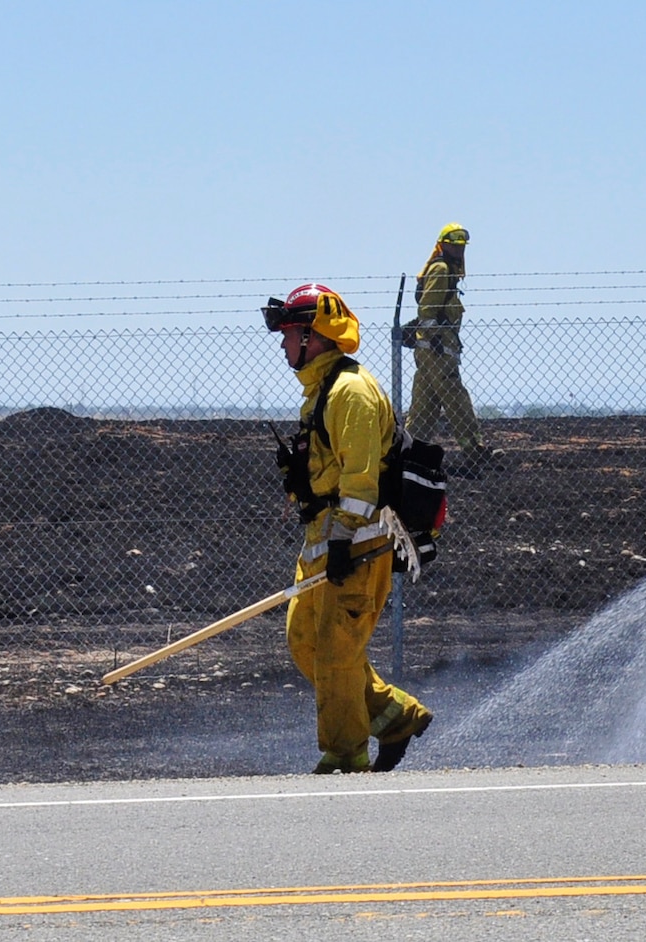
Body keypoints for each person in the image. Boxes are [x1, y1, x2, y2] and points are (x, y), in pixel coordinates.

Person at [264, 283, 435, 773]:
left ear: (313, 336)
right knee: (305, 640)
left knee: (337, 655)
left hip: (357, 546)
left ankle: (344, 755)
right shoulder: (322, 391)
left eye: (289, 334)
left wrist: (342, 542)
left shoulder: (351, 393)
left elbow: (360, 483)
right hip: (323, 544)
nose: (283, 344)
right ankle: (395, 717)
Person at [401, 223, 496, 469]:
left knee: (424, 406)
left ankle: (408, 455)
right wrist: (434, 338)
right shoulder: (442, 270)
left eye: (462, 246)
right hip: (438, 351)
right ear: (443, 245)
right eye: (454, 245)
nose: (459, 250)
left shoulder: (447, 271)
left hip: (431, 351)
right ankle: (474, 451)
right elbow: (427, 309)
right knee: (456, 400)